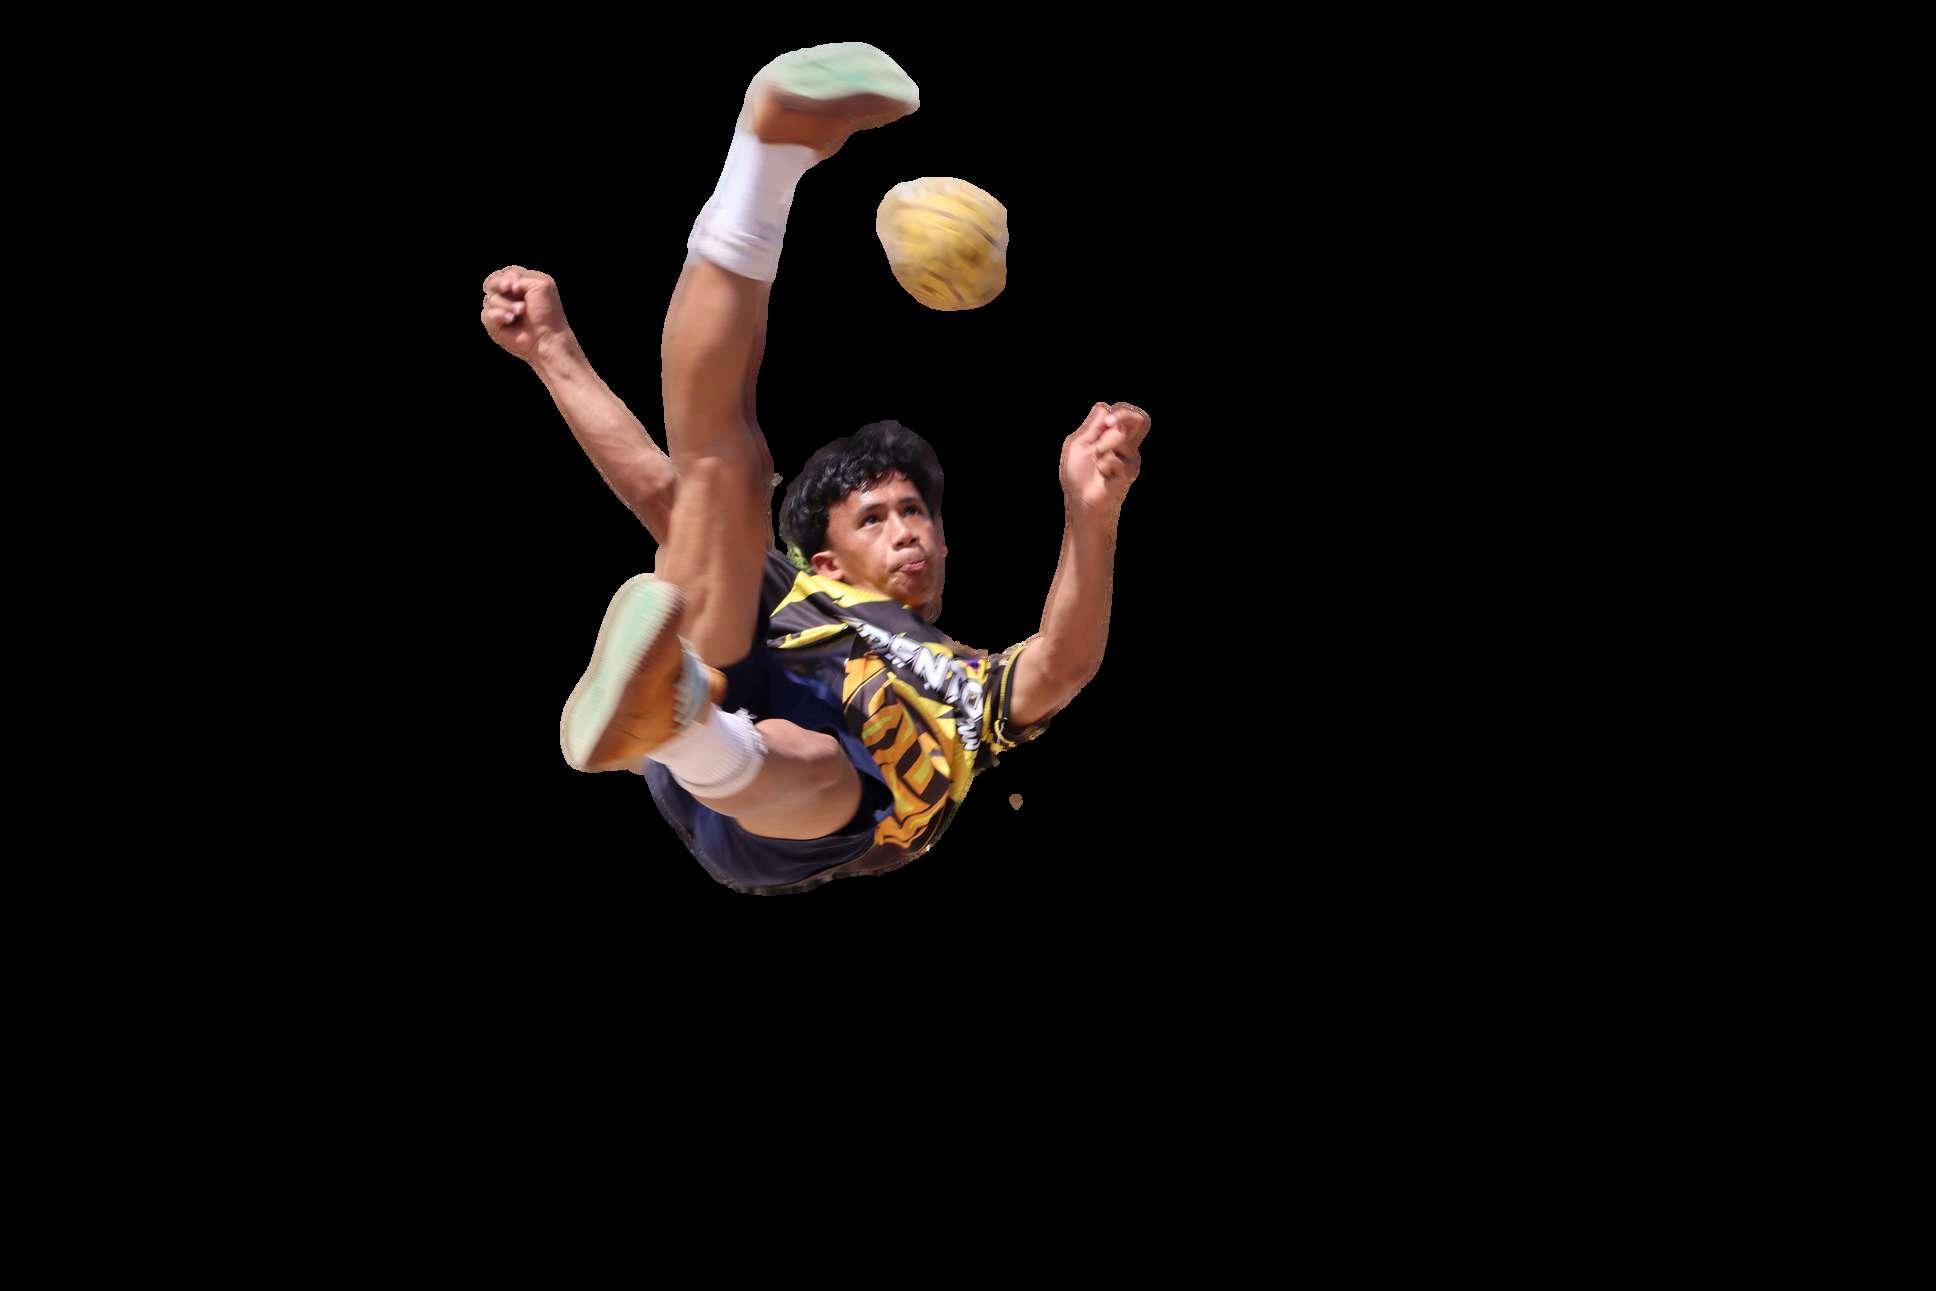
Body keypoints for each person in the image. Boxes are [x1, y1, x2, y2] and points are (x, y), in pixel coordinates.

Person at [480, 41, 1150, 893]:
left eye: (914, 511)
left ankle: (676, 720)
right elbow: (660, 488)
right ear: (827, 560)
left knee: (837, 776)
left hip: (784, 811)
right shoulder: (798, 592)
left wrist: (1091, 509)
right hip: (725, 680)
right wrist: (552, 349)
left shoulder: (967, 684)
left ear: (945, 541)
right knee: (722, 476)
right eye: (874, 517)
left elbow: (1060, 663)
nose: (907, 530)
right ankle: (767, 152)